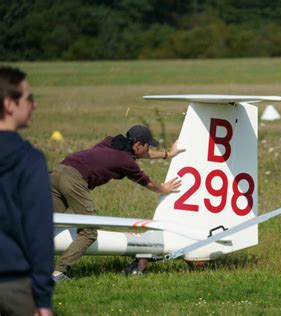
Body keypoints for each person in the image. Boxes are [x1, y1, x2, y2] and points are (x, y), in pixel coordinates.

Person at [51, 125, 184, 281]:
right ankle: (59, 272)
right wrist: (164, 188)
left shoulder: (111, 141)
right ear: (138, 145)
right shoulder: (126, 161)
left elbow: (144, 154)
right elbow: (146, 182)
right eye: (147, 146)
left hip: (57, 172)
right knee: (89, 231)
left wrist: (168, 154)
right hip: (74, 181)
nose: (149, 150)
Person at [0, 66, 54, 316]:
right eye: (29, 98)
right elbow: (39, 232)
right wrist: (43, 298)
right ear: (9, 104)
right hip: (14, 284)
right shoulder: (29, 160)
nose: (34, 105)